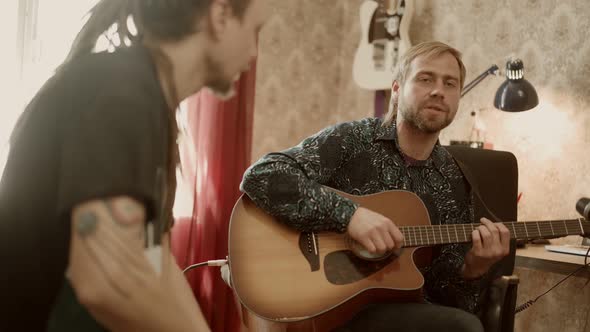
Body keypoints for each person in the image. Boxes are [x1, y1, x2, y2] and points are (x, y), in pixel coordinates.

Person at [0, 0, 269, 330]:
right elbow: (105, 279)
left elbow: (156, 262)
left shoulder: (153, 106)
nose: (254, 51)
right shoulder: (120, 90)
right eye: (255, 30)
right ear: (221, 15)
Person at [240, 41, 510, 332]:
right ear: (396, 89)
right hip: (325, 302)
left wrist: (473, 269)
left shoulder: (455, 180)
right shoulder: (352, 140)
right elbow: (262, 175)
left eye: (450, 83)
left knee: (463, 325)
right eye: (425, 78)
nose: (438, 90)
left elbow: (445, 297)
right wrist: (350, 216)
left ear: (458, 97)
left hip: (396, 311)